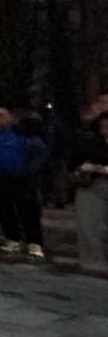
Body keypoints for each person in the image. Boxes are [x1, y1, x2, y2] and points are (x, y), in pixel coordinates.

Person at [0, 106, 48, 259]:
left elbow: (40, 153)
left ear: (10, 117)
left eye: (1, 115)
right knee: (4, 210)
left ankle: (34, 241)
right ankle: (12, 238)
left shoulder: (23, 134)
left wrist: (29, 170)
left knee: (28, 210)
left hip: (21, 179)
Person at [73, 111, 108, 276]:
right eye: (104, 126)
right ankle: (93, 262)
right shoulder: (90, 143)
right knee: (89, 226)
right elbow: (75, 161)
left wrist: (101, 168)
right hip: (92, 186)